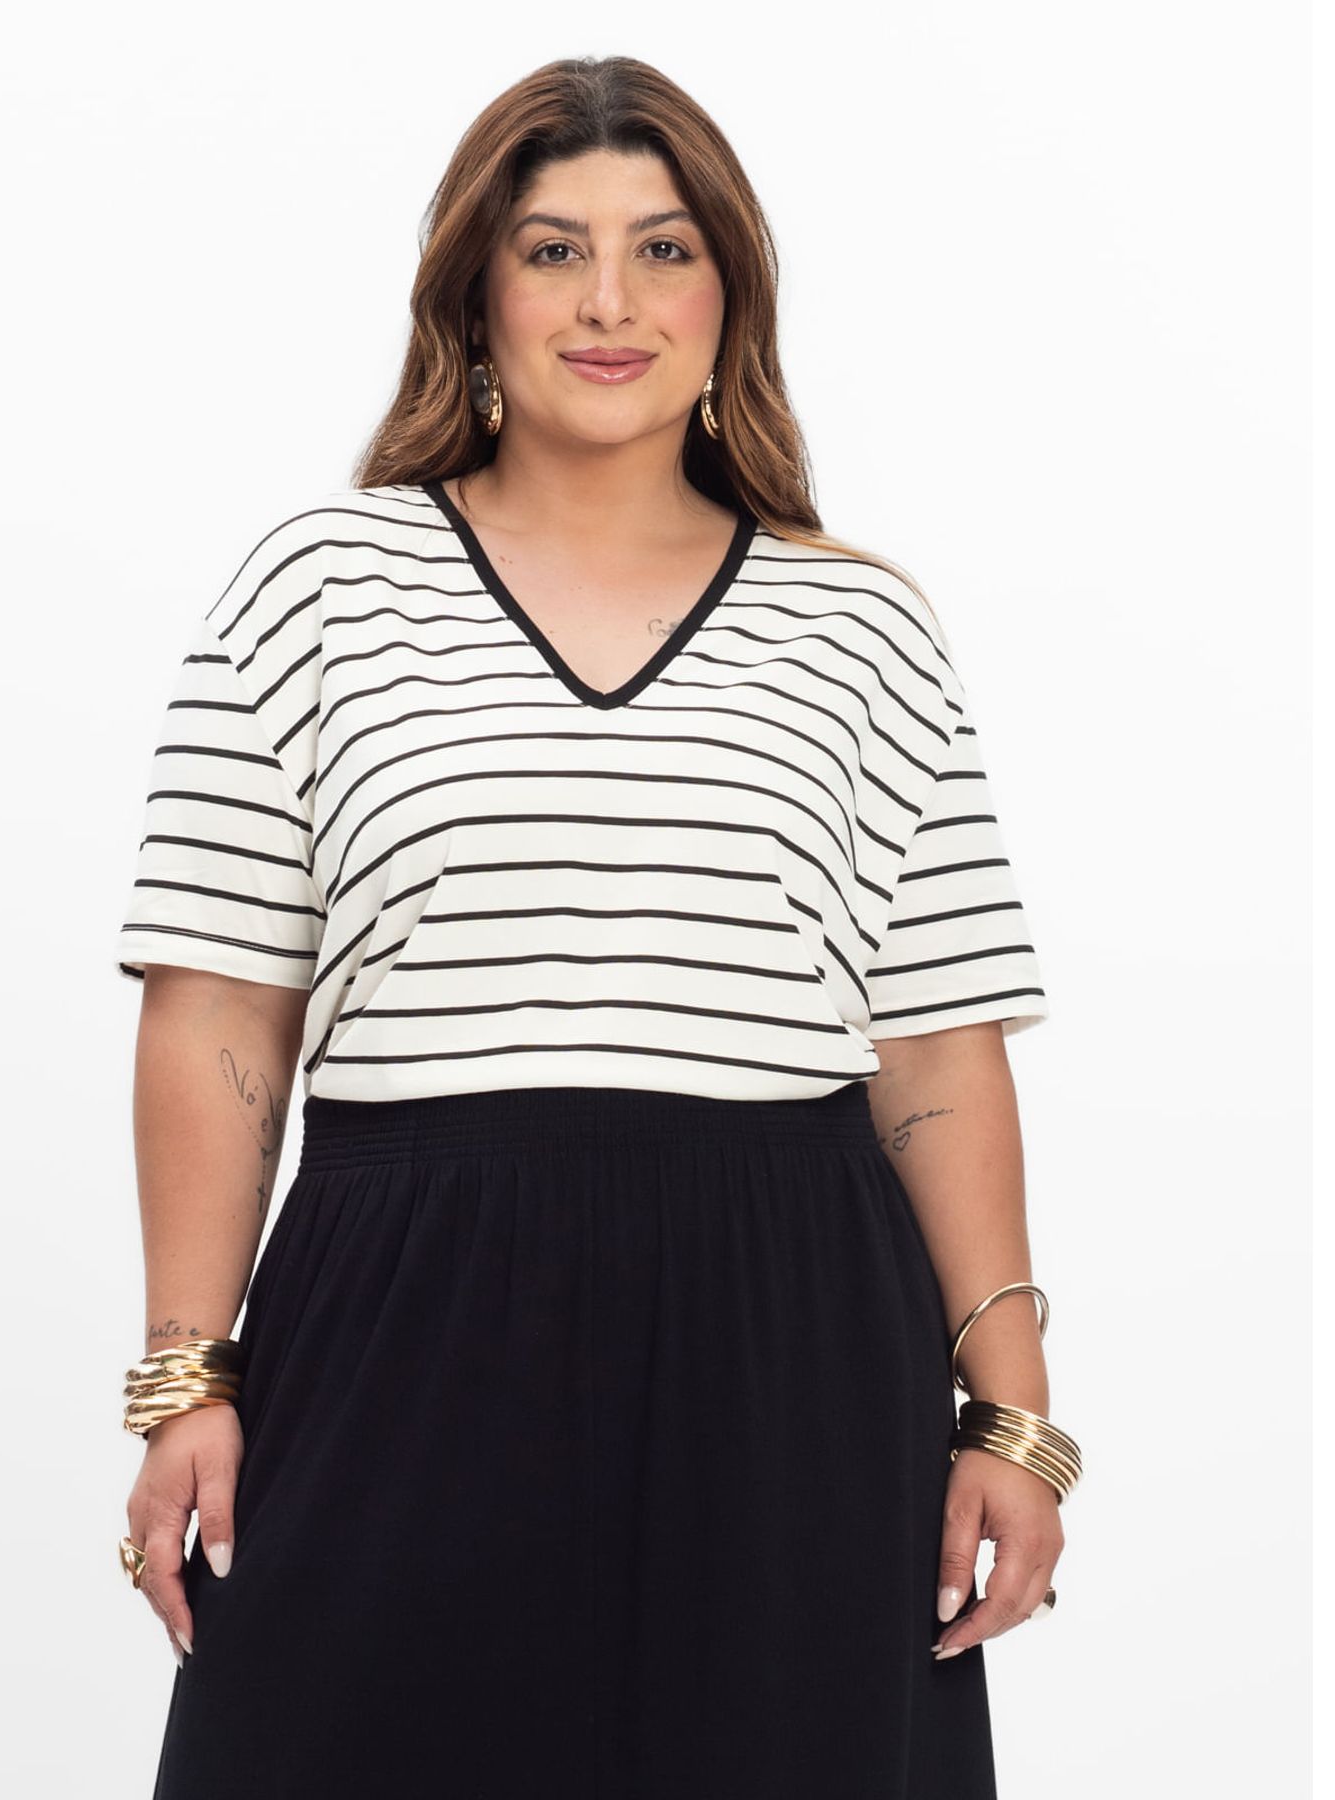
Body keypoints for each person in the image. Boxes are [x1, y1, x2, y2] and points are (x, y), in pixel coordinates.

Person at [111, 53, 1079, 1800]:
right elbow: (219, 1009)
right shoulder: (318, 586)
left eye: (665, 249)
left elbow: (935, 1043)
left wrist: (1013, 1419)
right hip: (401, 1313)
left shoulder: (862, 628)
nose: (610, 302)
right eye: (554, 250)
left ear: (732, 298)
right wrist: (188, 1377)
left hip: (789, 1330)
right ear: (475, 294)